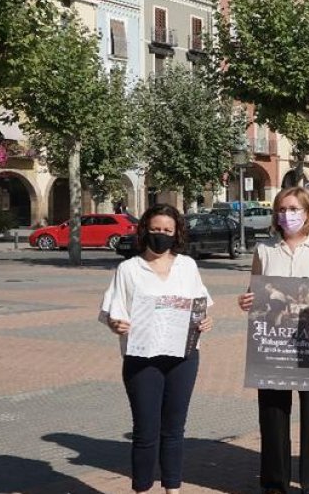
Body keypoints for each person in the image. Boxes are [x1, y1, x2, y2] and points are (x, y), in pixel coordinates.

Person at [99, 203, 214, 494]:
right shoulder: (128, 269)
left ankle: (172, 489)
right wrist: (116, 325)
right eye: (155, 230)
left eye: (167, 230)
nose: (160, 235)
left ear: (176, 234)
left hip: (183, 357)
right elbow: (113, 312)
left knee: (174, 430)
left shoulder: (187, 266)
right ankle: (141, 489)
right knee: (145, 431)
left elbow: (201, 305)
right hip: (142, 359)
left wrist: (205, 321)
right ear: (145, 231)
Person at [237, 186, 309, 494]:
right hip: (274, 342)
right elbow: (254, 290)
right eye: (282, 210)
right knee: (273, 412)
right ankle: (274, 482)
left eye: (294, 209)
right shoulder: (264, 250)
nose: (288, 215)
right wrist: (247, 301)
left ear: (308, 213)